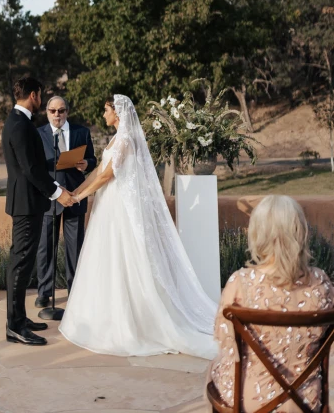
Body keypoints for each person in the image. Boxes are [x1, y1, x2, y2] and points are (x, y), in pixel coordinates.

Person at [59, 94, 217, 358]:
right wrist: (74, 191)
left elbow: (109, 175)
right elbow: (98, 171)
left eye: (105, 110)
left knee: (125, 259)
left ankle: (130, 321)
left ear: (117, 113)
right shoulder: (114, 139)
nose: (103, 114)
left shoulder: (124, 140)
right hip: (108, 206)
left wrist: (79, 197)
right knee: (107, 259)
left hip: (119, 208)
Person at [210, 195, 334, 413]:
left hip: (251, 400)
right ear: (301, 232)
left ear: (258, 233)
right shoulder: (321, 283)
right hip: (306, 400)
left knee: (213, 370)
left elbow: (225, 342)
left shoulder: (240, 283)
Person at [2, 76, 74, 346]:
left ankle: (19, 318)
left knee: (22, 263)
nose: (41, 99)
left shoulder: (18, 121)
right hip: (26, 205)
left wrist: (55, 186)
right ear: (34, 95)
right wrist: (58, 193)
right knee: (20, 264)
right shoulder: (19, 125)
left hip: (28, 203)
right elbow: (30, 169)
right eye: (40, 95)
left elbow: (34, 166)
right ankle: (15, 326)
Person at [35, 96, 96, 308]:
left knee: (75, 248)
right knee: (45, 248)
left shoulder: (82, 132)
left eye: (61, 111)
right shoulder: (39, 134)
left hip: (75, 196)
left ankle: (75, 292)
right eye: (52, 111)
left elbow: (93, 160)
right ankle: (44, 292)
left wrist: (86, 163)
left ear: (67, 112)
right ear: (47, 112)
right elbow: (35, 167)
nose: (57, 115)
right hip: (49, 198)